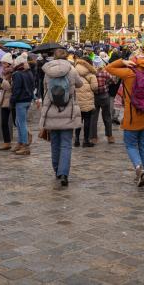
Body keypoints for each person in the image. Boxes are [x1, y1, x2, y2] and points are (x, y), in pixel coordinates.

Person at [106, 53, 144, 187]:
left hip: (132, 118)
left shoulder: (129, 73)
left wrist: (123, 61)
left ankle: (139, 168)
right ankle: (143, 171)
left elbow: (109, 68)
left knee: (130, 145)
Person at [39, 48, 83, 186]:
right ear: (66, 57)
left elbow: (44, 90)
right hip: (67, 111)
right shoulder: (72, 70)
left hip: (51, 111)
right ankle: (63, 173)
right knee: (66, 144)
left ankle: (56, 169)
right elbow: (80, 84)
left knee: (55, 143)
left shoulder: (47, 72)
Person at [10, 55, 35, 155]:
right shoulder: (29, 72)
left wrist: (12, 100)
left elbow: (16, 90)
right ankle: (20, 142)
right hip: (27, 99)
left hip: (20, 100)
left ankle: (24, 145)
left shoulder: (17, 74)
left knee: (21, 123)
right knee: (18, 121)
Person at [90, 56, 115, 144]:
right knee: (107, 117)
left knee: (93, 118)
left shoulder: (92, 73)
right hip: (105, 96)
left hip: (94, 96)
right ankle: (109, 136)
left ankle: (93, 137)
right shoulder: (105, 73)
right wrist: (106, 84)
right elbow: (113, 81)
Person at [74, 58, 98, 147]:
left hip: (76, 101)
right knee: (87, 121)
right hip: (87, 101)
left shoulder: (73, 72)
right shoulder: (91, 74)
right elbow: (95, 87)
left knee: (78, 121)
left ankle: (76, 139)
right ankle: (86, 140)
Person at [0, 63, 14, 151]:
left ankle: (27, 135)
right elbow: (1, 88)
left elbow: (10, 88)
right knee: (3, 123)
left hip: (11, 102)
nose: (2, 65)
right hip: (4, 102)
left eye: (4, 63)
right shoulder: (4, 76)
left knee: (16, 122)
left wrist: (3, 82)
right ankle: (7, 142)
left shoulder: (14, 76)